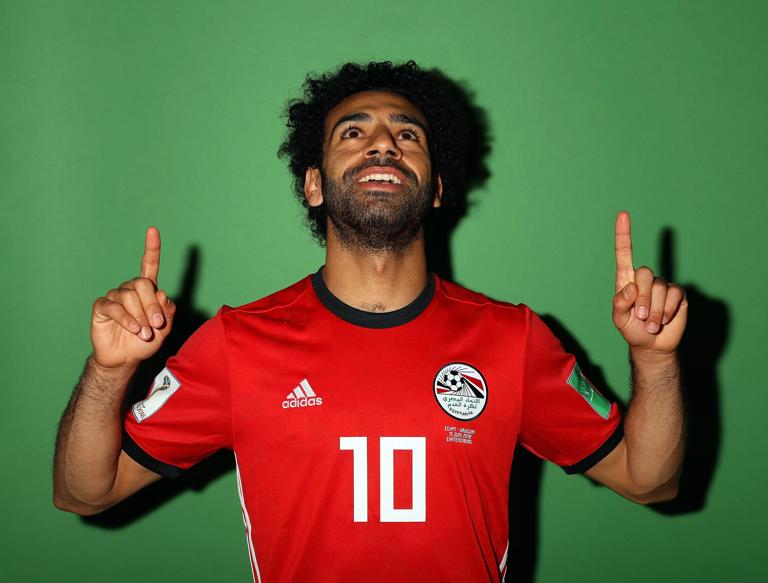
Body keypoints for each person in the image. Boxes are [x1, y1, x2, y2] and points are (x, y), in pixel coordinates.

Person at [53, 61, 687, 582]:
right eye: (352, 133)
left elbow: (648, 479)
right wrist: (109, 372)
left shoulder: (512, 339)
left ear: (437, 187)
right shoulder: (236, 343)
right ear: (314, 185)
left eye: (406, 133)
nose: (383, 142)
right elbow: (84, 492)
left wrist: (655, 360)